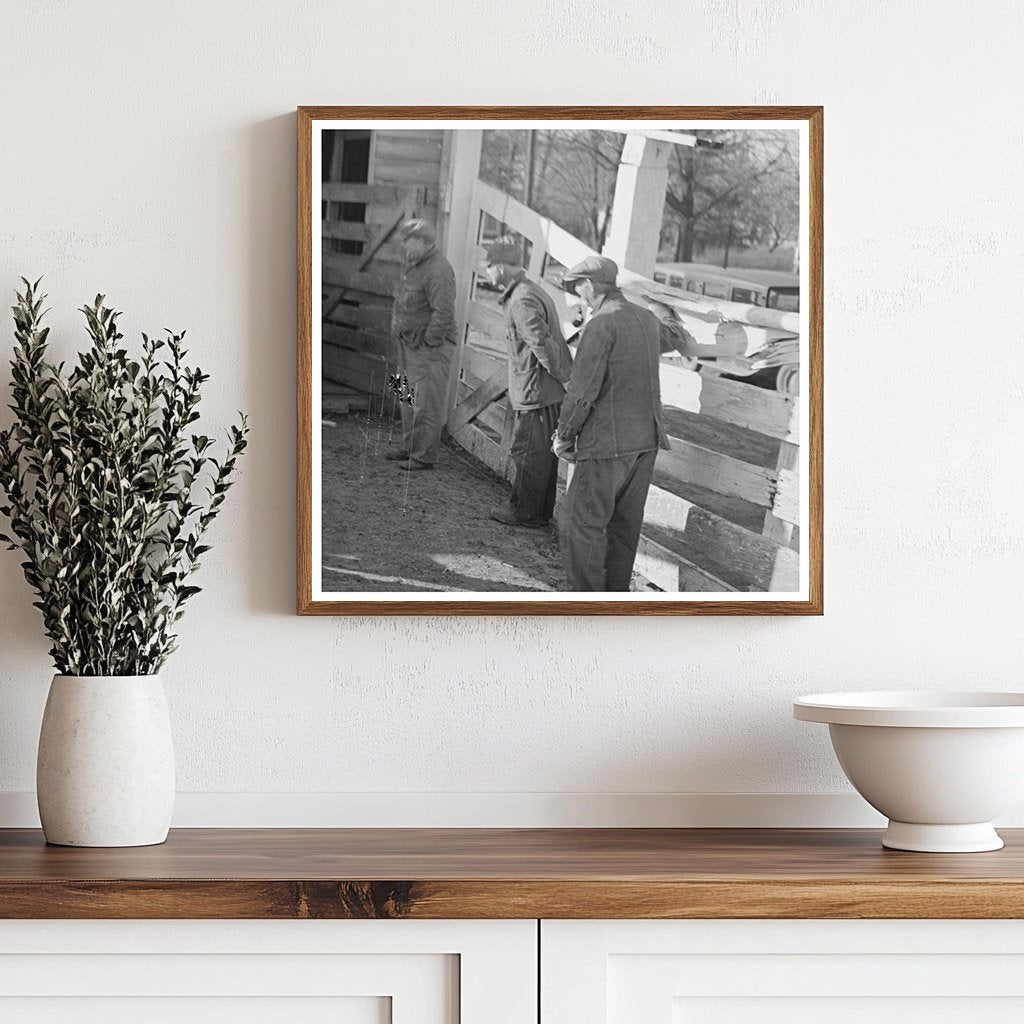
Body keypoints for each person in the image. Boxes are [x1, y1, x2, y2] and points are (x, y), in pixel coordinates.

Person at [553, 255, 683, 591]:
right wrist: (659, 304)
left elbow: (581, 393)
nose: (577, 294)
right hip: (646, 442)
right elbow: (676, 336)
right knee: (624, 529)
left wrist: (564, 436)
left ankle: (587, 606)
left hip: (606, 445)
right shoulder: (644, 319)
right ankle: (614, 602)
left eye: (578, 287)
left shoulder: (601, 325)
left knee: (581, 524)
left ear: (592, 286)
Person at [482, 240, 574, 527]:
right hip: (543, 389)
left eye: (488, 267)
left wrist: (564, 378)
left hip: (536, 391)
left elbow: (541, 344)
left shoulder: (521, 299)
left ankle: (522, 511)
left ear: (500, 267)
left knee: (528, 454)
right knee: (541, 457)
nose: (487, 273)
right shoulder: (529, 291)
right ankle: (539, 513)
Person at [387, 219, 457, 471]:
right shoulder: (414, 264)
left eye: (408, 240)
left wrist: (429, 342)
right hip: (408, 343)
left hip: (427, 347)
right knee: (404, 395)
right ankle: (409, 447)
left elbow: (444, 312)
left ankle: (424, 456)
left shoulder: (438, 269)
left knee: (425, 401)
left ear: (425, 242)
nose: (403, 245)